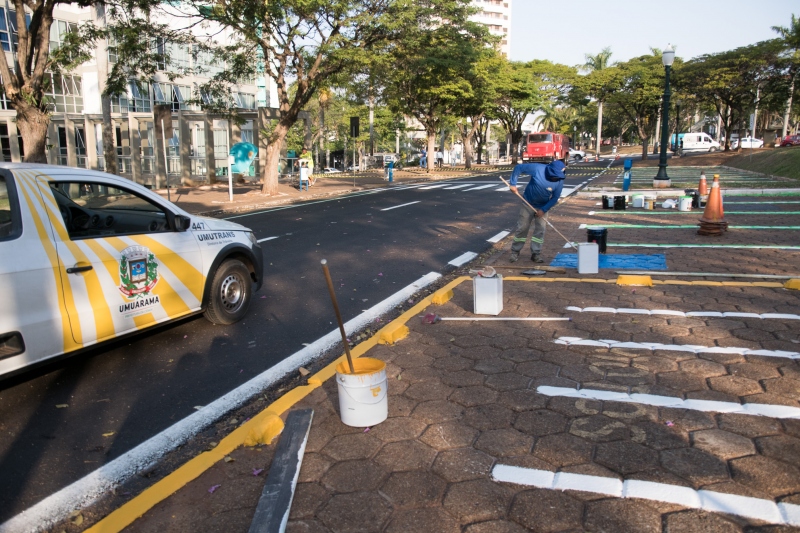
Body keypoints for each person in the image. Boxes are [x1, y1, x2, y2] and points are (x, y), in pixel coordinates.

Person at [507, 160, 566, 263]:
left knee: (540, 231)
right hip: (527, 203)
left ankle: (536, 254)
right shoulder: (538, 168)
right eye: (554, 176)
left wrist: (543, 209)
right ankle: (515, 252)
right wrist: (513, 184)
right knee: (522, 229)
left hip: (543, 206)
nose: (555, 178)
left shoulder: (559, 180)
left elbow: (555, 197)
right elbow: (518, 168)